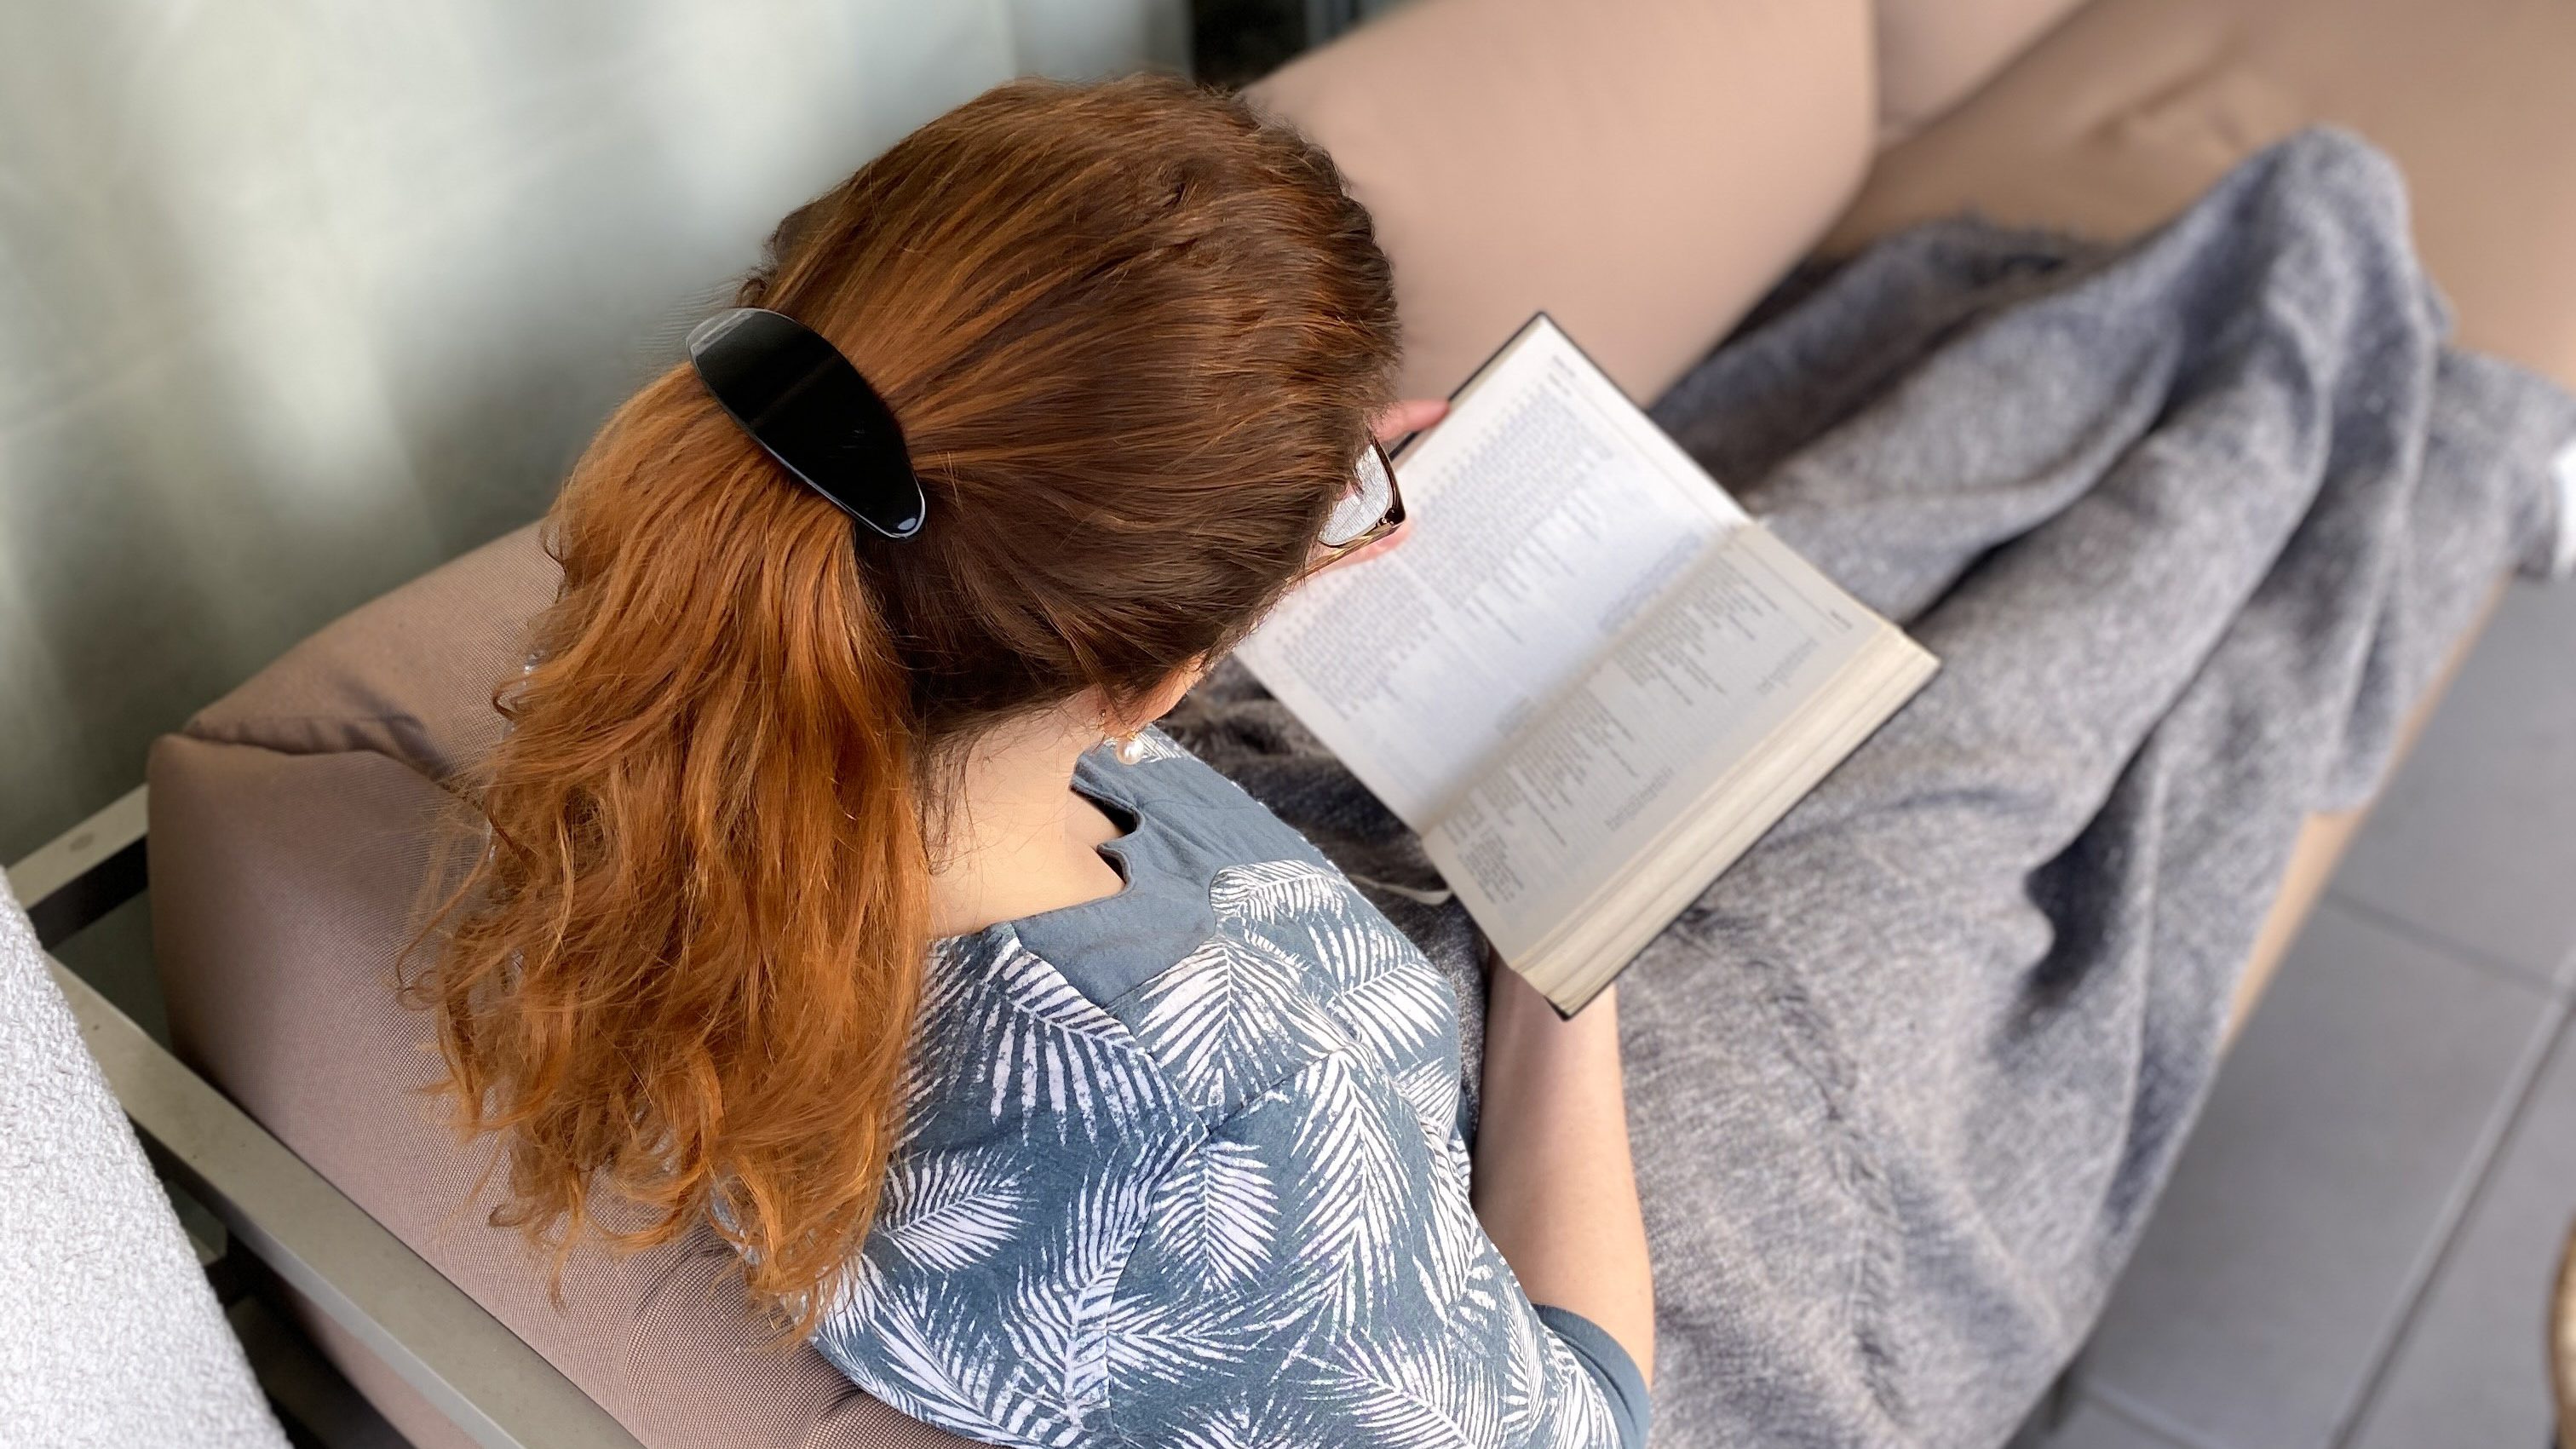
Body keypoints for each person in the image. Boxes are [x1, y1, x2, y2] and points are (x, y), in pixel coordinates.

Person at [422, 77, 1653, 1448]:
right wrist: (1570, 961)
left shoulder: (654, 729)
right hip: (1523, 1180)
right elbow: (1586, 1425)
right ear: (1148, 676)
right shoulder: (1214, 1130)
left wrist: (1229, 553)